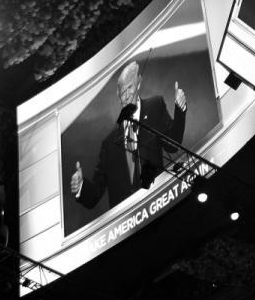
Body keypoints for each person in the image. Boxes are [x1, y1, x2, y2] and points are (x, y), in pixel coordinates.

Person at [70, 61, 186, 209]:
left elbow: (172, 145)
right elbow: (94, 195)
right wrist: (81, 186)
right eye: (122, 92)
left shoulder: (155, 106)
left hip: (157, 205)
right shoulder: (109, 144)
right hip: (126, 222)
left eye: (129, 87)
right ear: (118, 96)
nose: (125, 96)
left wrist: (180, 110)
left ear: (138, 84)